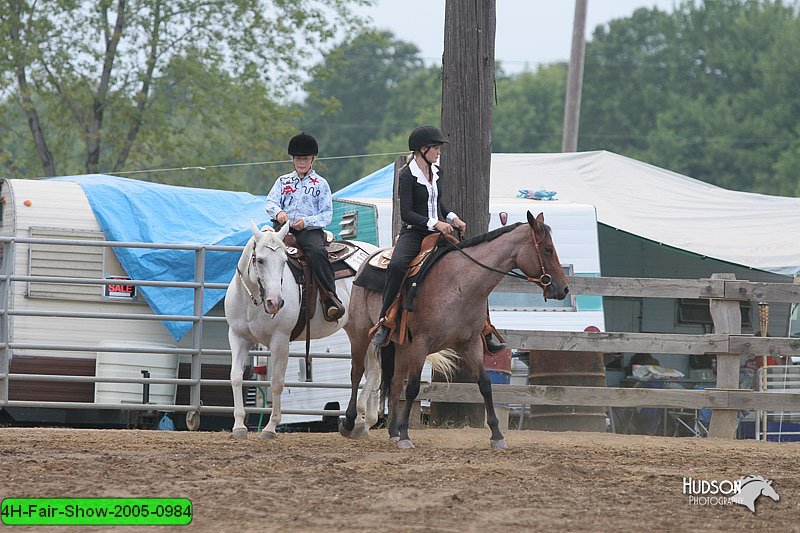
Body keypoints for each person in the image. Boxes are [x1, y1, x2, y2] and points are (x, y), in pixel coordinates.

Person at [370, 125, 506, 353]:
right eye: (436, 148)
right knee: (396, 266)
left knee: (473, 270)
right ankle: (386, 320)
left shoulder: (437, 173)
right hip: (414, 233)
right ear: (423, 150)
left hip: (440, 232)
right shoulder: (407, 176)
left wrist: (453, 218)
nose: (439, 152)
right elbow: (407, 213)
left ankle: (485, 328)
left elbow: (439, 204)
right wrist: (435, 223)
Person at [265, 132, 343, 320]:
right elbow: (270, 202)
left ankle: (329, 296)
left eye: (305, 158)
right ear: (293, 159)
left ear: (312, 159)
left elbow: (327, 215)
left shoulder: (321, 184)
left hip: (308, 231)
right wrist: (279, 213)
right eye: (298, 158)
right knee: (263, 250)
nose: (301, 162)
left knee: (317, 253)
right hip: (282, 227)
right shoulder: (283, 181)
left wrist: (306, 222)